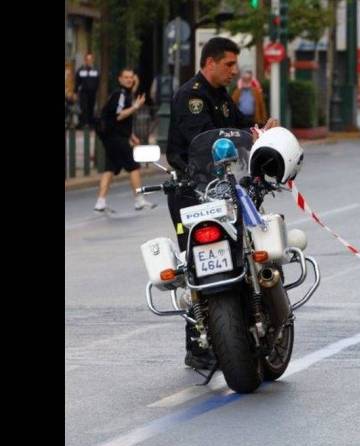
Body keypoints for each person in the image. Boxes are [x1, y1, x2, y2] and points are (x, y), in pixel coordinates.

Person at [167, 37, 279, 370]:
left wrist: (260, 130)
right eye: (229, 64)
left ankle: (241, 324)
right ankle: (197, 343)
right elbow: (204, 141)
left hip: (224, 190)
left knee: (237, 255)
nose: (234, 70)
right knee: (196, 264)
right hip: (191, 191)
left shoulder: (220, 96)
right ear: (210, 62)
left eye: (235, 64)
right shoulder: (191, 97)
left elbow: (238, 127)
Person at [93, 67, 156, 212]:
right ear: (120, 79)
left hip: (112, 138)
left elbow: (120, 122)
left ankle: (100, 202)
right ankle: (139, 200)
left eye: (131, 77)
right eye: (126, 77)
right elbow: (119, 116)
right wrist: (135, 107)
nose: (129, 80)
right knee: (134, 167)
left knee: (109, 169)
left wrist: (131, 136)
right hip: (117, 139)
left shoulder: (125, 94)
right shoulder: (120, 95)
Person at [75, 52, 101, 128]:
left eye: (90, 59)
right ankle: (84, 124)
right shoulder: (80, 70)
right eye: (87, 59)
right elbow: (77, 82)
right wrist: (75, 93)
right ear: (85, 60)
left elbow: (98, 81)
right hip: (83, 93)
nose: (89, 61)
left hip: (92, 93)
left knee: (91, 107)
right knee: (84, 108)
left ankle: (90, 124)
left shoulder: (96, 71)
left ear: (92, 60)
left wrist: (96, 90)